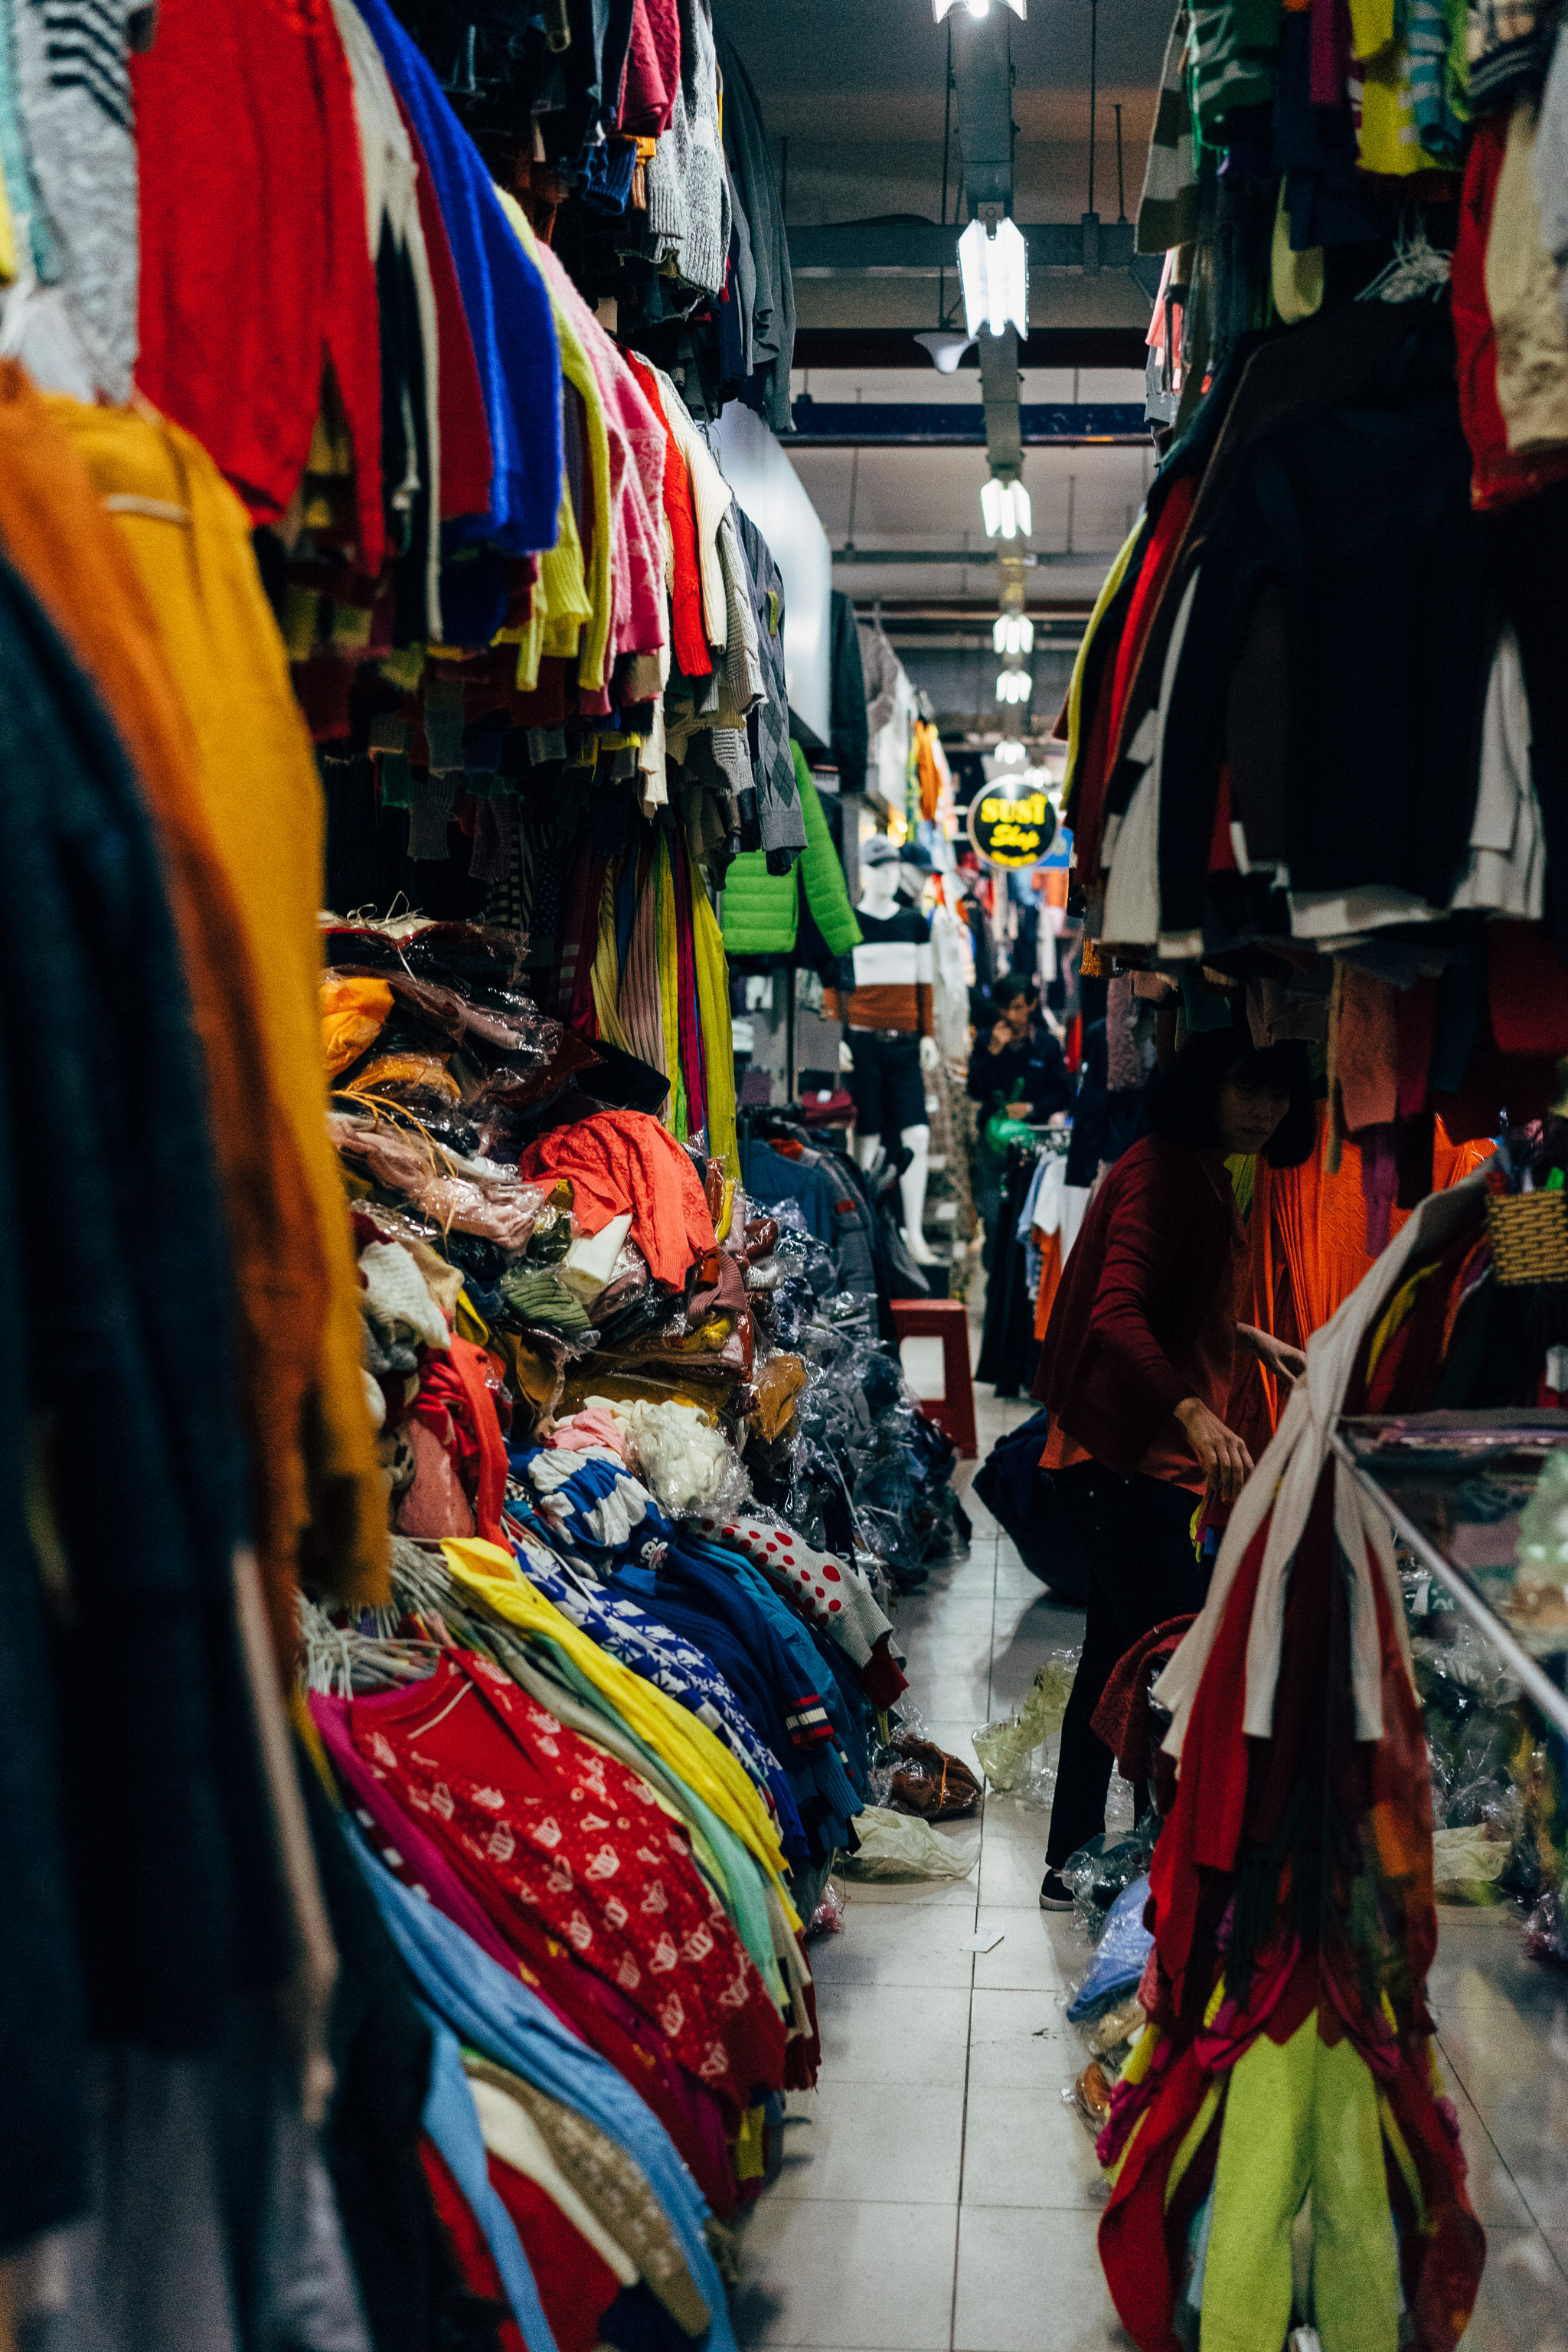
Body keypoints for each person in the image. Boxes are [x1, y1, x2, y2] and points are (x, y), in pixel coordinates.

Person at [1030, 1027, 1317, 1908]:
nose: (1264, 1111)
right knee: (1178, 1666)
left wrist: (1246, 1339)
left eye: (1276, 1093)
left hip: (1115, 1459)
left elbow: (1161, 1302)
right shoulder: (1161, 1172)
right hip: (1122, 1461)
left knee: (1118, 1657)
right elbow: (1118, 1312)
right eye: (1245, 1090)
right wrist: (1192, 1410)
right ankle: (1182, 1868)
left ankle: (1075, 1859)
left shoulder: (1192, 1166)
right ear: (1202, 1086)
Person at [966, 971, 1073, 1128]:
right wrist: (992, 1054)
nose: (1011, 1015)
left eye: (1017, 1008)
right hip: (993, 1130)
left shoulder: (1047, 1044)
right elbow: (976, 1091)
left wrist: (1032, 1109)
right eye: (1005, 1008)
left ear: (1032, 1005)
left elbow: (1063, 1094)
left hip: (1035, 1129)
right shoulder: (985, 1040)